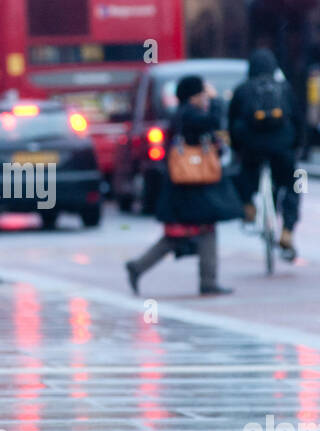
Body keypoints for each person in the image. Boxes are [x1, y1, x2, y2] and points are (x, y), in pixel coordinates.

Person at [125, 75, 237, 296]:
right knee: (198, 230)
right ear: (192, 96)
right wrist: (216, 101)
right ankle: (207, 281)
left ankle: (139, 267)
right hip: (191, 184)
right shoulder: (189, 114)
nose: (205, 98)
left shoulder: (182, 114)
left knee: (183, 233)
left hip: (187, 186)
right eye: (201, 94)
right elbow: (214, 121)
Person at [229, 48, 303, 261]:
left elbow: (232, 122)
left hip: (252, 147)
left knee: (245, 174)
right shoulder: (284, 88)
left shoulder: (242, 90)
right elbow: (298, 120)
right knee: (291, 185)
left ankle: (248, 207)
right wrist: (297, 146)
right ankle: (287, 230)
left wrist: (237, 149)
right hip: (282, 147)